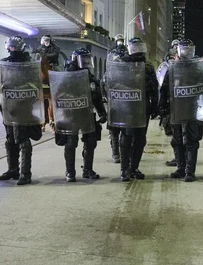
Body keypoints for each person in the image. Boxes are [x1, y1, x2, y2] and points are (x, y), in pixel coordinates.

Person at [0, 36, 43, 185]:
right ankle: (13, 169)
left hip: (25, 107)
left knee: (23, 140)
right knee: (10, 140)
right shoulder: (3, 63)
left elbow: (36, 83)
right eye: (11, 47)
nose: (13, 50)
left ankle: (25, 173)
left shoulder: (30, 64)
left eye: (15, 47)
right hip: (9, 107)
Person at [56, 48, 107, 181]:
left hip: (86, 112)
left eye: (87, 59)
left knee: (91, 141)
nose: (86, 62)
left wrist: (102, 112)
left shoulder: (88, 75)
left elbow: (96, 96)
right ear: (75, 59)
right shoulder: (66, 75)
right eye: (83, 59)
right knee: (71, 142)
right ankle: (70, 172)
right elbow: (58, 95)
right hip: (70, 114)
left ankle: (87, 170)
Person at [158, 39, 203, 182]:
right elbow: (164, 88)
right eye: (184, 50)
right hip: (176, 108)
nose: (186, 53)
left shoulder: (198, 69)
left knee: (191, 141)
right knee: (177, 140)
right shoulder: (173, 68)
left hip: (192, 109)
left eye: (189, 50)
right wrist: (162, 107)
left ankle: (190, 171)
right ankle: (181, 168)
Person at [119, 37, 159, 181]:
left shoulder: (147, 66)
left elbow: (154, 88)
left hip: (143, 107)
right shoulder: (121, 64)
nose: (137, 50)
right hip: (126, 107)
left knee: (140, 139)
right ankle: (124, 169)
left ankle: (134, 167)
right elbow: (111, 83)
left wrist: (155, 106)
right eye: (134, 47)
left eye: (139, 47)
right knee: (126, 138)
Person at [103, 44, 128, 164]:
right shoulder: (110, 72)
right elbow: (103, 85)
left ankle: (121, 154)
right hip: (114, 104)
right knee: (114, 131)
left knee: (124, 131)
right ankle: (116, 153)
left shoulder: (129, 71)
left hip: (125, 104)